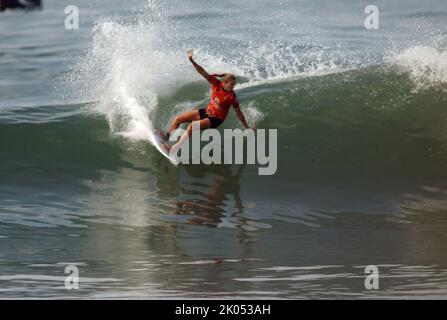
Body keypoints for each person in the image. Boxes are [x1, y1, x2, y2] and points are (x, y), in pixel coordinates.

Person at [166, 50, 255, 153]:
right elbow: (202, 71)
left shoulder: (231, 97)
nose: (233, 86)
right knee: (178, 119)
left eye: (234, 84)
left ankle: (175, 148)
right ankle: (167, 137)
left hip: (216, 119)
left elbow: (239, 113)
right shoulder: (216, 84)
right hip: (207, 111)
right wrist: (192, 61)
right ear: (224, 83)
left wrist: (247, 127)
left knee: (192, 126)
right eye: (231, 84)